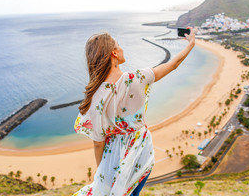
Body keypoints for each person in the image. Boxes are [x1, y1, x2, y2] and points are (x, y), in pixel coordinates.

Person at [73, 30, 195, 195]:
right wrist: (191, 44)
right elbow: (173, 64)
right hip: (140, 152)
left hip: (112, 156)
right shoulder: (138, 78)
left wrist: (103, 172)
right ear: (114, 53)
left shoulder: (94, 95)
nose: (122, 48)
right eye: (119, 45)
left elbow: (98, 143)